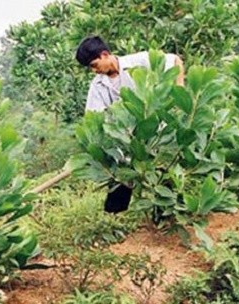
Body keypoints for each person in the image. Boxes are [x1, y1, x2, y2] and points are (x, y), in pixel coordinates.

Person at [75, 35, 185, 213]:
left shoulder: (139, 62)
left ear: (104, 55)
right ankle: (118, 217)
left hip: (156, 132)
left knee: (168, 176)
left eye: (94, 65)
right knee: (120, 178)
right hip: (124, 139)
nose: (94, 71)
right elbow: (93, 116)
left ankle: (171, 213)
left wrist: (180, 90)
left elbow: (174, 60)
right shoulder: (97, 86)